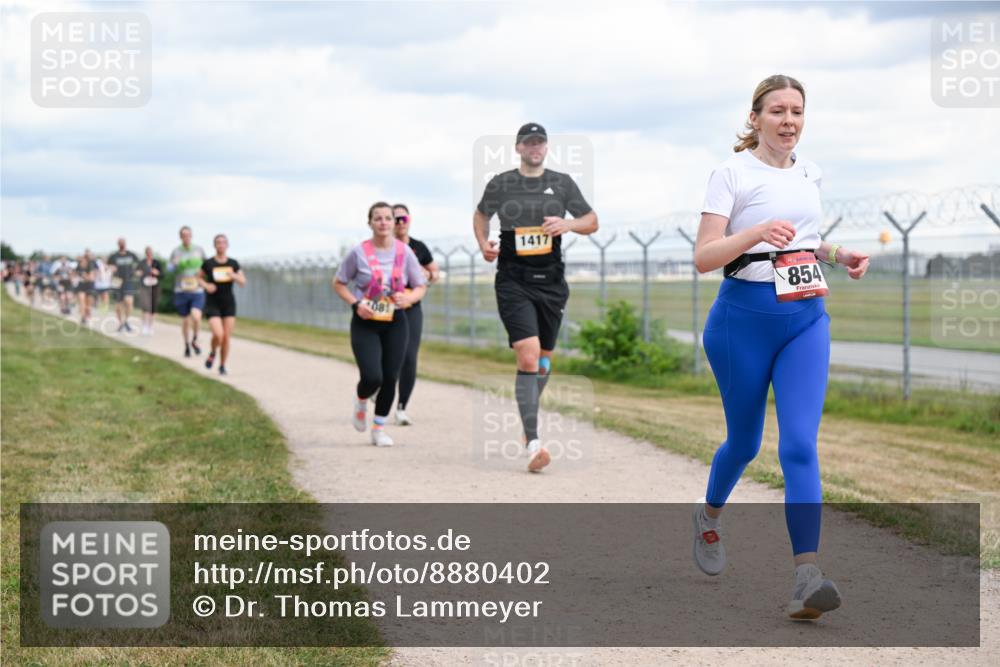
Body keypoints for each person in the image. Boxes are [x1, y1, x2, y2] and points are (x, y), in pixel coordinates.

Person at [691, 74, 870, 620]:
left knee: (799, 445)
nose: (788, 121)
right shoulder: (731, 173)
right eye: (777, 111)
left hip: (806, 319)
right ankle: (709, 518)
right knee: (744, 443)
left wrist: (839, 254)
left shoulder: (811, 172)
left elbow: (805, 240)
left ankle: (806, 577)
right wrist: (755, 233)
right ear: (756, 118)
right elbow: (704, 257)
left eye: (796, 111)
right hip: (741, 322)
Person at [473, 122, 598, 472]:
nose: (534, 147)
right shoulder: (501, 183)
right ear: (518, 148)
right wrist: (483, 243)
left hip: (552, 282)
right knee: (527, 359)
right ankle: (533, 441)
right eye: (528, 142)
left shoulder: (561, 182)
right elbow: (481, 214)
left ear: (546, 147)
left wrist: (567, 224)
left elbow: (591, 220)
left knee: (542, 361)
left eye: (539, 142)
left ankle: (527, 413)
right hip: (513, 280)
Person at [333, 202, 427, 447]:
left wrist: (408, 298)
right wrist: (356, 304)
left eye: (388, 218)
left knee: (390, 377)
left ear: (394, 223)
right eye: (378, 218)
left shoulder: (404, 252)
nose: (384, 222)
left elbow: (420, 286)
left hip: (396, 320)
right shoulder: (358, 253)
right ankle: (362, 398)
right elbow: (339, 283)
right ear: (370, 223)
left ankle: (378, 429)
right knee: (372, 375)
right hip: (366, 320)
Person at [390, 203, 439, 426]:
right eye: (396, 219)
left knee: (409, 357)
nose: (400, 223)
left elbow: (434, 271)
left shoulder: (418, 247)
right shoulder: (382, 247)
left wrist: (427, 276)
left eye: (404, 219)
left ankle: (402, 407)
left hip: (411, 305)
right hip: (386, 305)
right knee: (388, 355)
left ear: (410, 221)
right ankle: (377, 385)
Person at [199, 234, 245, 376]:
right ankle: (213, 352)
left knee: (226, 337)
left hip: (228, 303)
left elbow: (243, 282)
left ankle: (223, 365)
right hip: (213, 302)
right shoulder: (208, 263)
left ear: (227, 245)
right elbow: (198, 278)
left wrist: (234, 276)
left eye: (223, 243)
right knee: (218, 334)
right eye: (218, 243)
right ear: (215, 245)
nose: (221, 245)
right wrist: (206, 285)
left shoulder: (233, 263)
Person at [168, 226, 207, 357]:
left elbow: (206, 266)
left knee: (196, 316)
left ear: (191, 235)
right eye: (184, 235)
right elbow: (169, 269)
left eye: (188, 235)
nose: (186, 237)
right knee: (185, 321)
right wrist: (174, 263)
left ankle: (195, 339)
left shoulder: (199, 250)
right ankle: (186, 345)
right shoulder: (176, 251)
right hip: (181, 289)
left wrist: (202, 275)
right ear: (180, 237)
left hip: (197, 290)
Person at [107, 238, 141, 333]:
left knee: (129, 301)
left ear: (125, 244)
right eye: (120, 243)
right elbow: (107, 266)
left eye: (123, 242)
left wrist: (137, 271)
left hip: (128, 280)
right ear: (118, 244)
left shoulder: (131, 255)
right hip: (117, 281)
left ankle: (126, 321)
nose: (122, 244)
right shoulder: (114, 256)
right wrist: (111, 267)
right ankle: (121, 323)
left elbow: (139, 265)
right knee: (118, 305)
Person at [139, 246, 163, 335]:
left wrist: (157, 273)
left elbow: (162, 274)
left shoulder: (157, 263)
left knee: (153, 307)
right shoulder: (142, 263)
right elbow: (136, 272)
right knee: (145, 306)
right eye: (147, 252)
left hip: (155, 287)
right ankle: (144, 325)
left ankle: (150, 326)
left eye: (150, 252)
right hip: (144, 287)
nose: (149, 254)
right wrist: (139, 273)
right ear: (145, 253)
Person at [75, 251, 95, 325]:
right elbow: (74, 274)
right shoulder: (79, 265)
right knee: (82, 301)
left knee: (88, 303)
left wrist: (84, 276)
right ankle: (83, 317)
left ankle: (88, 315)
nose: (83, 260)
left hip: (89, 286)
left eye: (85, 258)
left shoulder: (91, 265)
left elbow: (91, 278)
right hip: (81, 286)